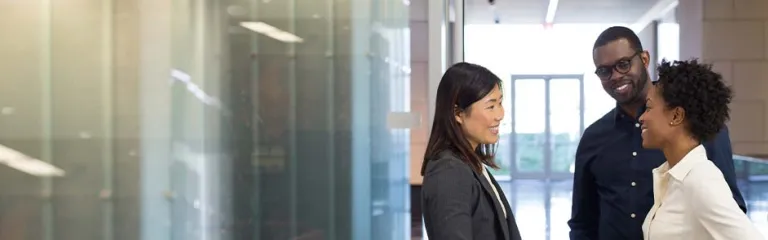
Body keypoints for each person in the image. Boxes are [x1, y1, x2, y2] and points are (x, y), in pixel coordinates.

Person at [568, 26, 746, 240]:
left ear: (644, 59)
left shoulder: (693, 125)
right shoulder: (593, 137)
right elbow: (582, 223)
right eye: (604, 71)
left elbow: (729, 212)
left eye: (623, 64)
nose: (615, 76)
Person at [638, 59, 762, 240]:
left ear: (676, 115)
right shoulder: (672, 176)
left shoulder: (700, 178)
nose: (642, 117)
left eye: (648, 107)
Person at [421, 62, 522, 240]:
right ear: (458, 114)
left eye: (500, 103)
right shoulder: (449, 171)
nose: (500, 114)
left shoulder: (469, 162)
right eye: (491, 106)